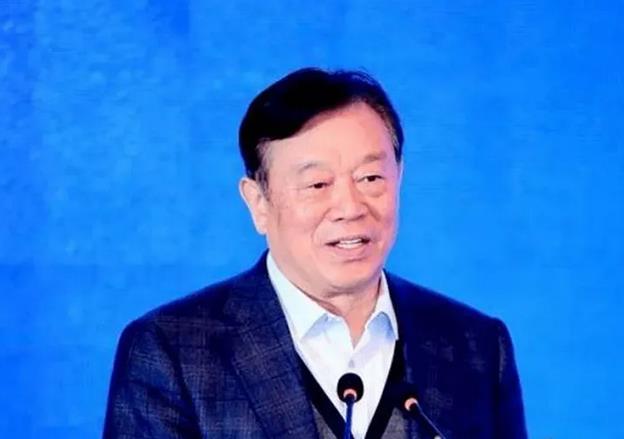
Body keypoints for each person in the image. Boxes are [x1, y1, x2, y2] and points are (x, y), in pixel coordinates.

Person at [103, 68, 527, 439]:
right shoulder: (173, 352)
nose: (350, 207)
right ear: (258, 202)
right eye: (318, 185)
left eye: (370, 178)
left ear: (399, 177)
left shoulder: (475, 346)